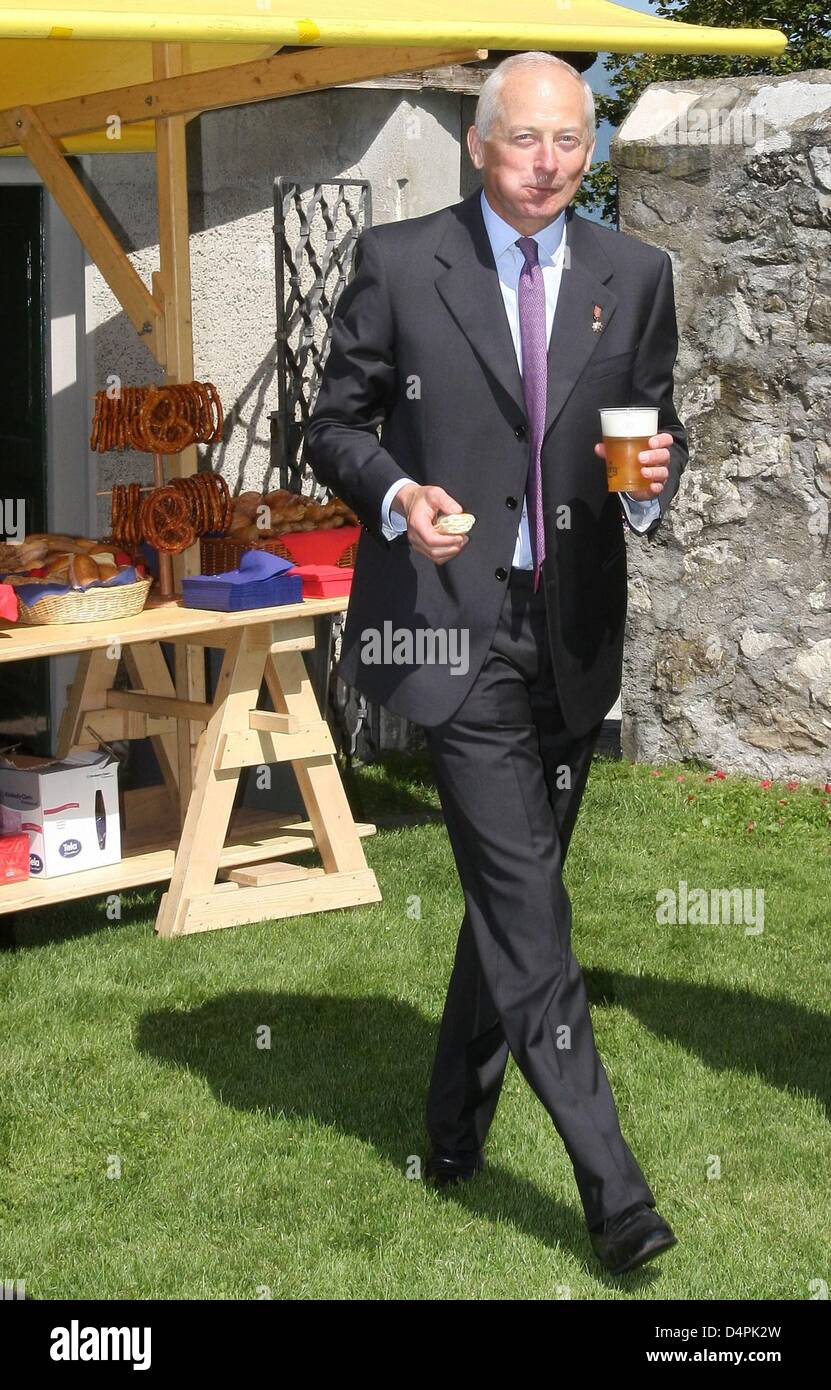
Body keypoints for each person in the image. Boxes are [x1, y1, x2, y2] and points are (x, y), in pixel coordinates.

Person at [305, 50, 688, 1275]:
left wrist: (649, 486)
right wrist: (398, 490)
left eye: (572, 142)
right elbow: (331, 421)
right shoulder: (404, 261)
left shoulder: (635, 275)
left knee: (504, 897)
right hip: (448, 624)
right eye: (526, 139)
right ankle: (616, 1197)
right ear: (480, 145)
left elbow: (644, 427)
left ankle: (450, 1128)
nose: (548, 163)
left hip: (569, 631)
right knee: (532, 913)